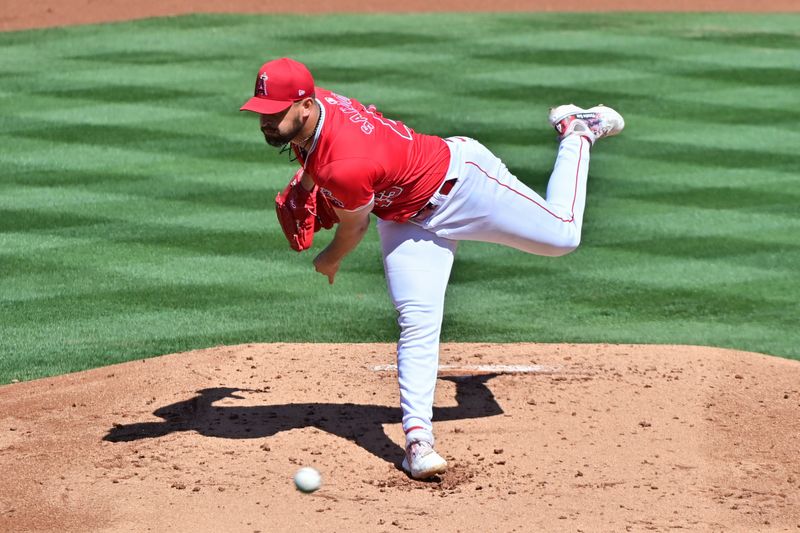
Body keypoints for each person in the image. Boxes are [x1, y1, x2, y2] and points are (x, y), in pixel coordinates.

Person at [240, 57, 624, 480]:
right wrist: (306, 183)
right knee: (417, 320)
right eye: (262, 112)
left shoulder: (344, 165)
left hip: (463, 185)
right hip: (407, 218)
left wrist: (329, 259)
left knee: (563, 235)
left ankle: (578, 131)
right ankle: (418, 441)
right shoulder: (318, 113)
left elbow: (355, 228)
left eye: (275, 112)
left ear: (307, 106)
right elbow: (322, 158)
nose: (266, 121)